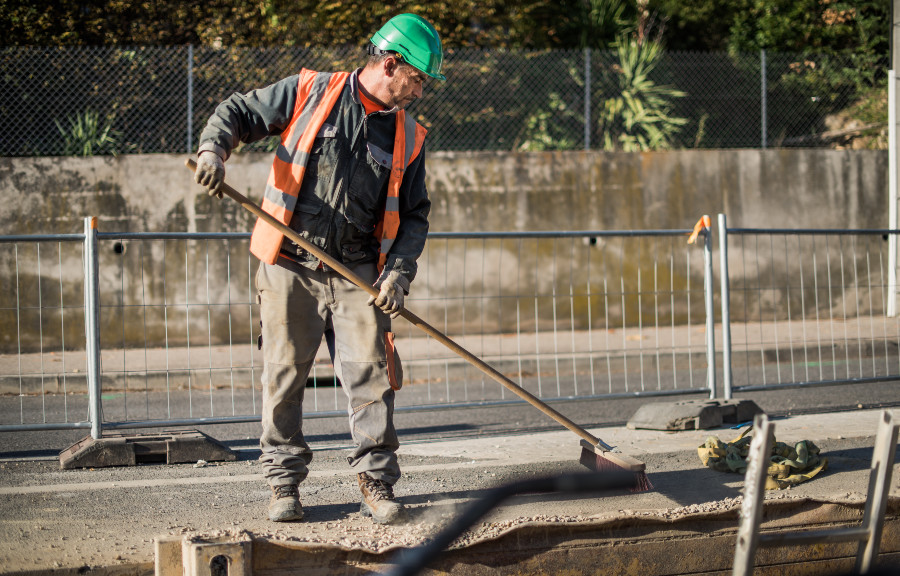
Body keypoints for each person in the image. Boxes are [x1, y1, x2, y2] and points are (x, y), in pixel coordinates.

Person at [193, 13, 444, 525]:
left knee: (373, 378)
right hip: (290, 265)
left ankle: (376, 482)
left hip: (358, 275)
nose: (419, 91)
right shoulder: (311, 90)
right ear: (391, 64)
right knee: (284, 377)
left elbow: (415, 213)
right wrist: (212, 150)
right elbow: (238, 111)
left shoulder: (409, 137)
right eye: (417, 79)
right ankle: (284, 485)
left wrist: (398, 272)